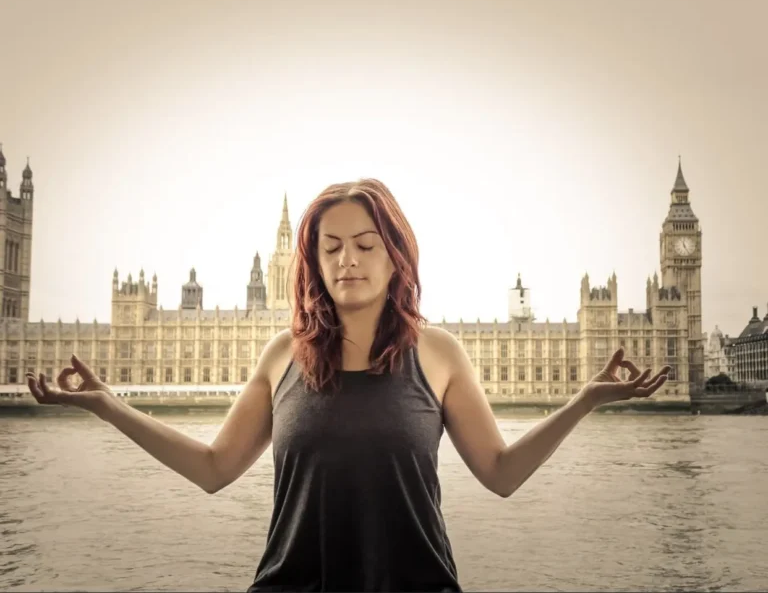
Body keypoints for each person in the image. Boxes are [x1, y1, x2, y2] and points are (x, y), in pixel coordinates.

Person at [26, 178, 671, 592]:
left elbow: (500, 473)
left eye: (365, 243)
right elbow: (214, 467)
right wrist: (107, 406)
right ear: (310, 262)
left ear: (396, 256)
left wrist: (585, 399)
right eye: (330, 247)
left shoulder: (437, 352)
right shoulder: (283, 355)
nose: (348, 259)